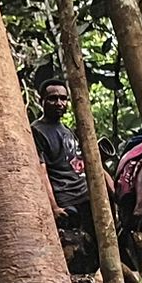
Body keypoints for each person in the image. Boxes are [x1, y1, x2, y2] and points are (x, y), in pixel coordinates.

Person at [29, 62, 98, 270]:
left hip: (86, 195)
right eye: (53, 98)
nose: (59, 103)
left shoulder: (68, 130)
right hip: (66, 199)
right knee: (76, 254)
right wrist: (54, 206)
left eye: (62, 98)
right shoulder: (37, 131)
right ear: (42, 101)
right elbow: (41, 170)